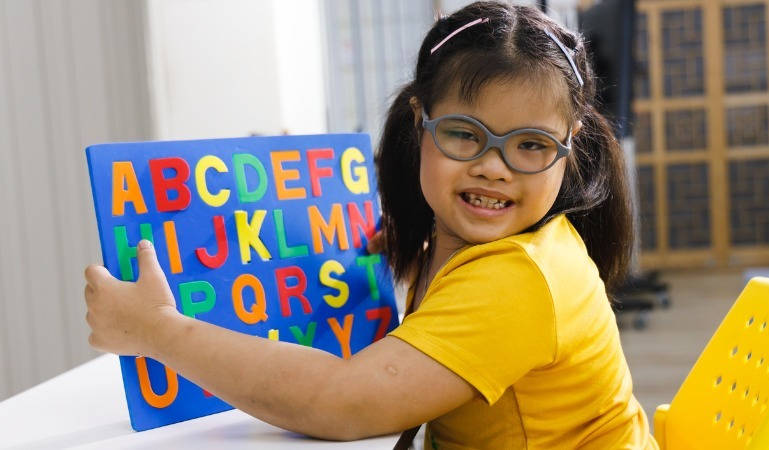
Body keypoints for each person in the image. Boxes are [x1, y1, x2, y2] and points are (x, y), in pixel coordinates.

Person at [84, 2, 657, 448]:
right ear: (421, 122)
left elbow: (341, 404)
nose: (493, 167)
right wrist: (281, 191)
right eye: (464, 134)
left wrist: (158, 331)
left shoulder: (520, 280)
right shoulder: (477, 242)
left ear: (568, 149)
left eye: (530, 145)